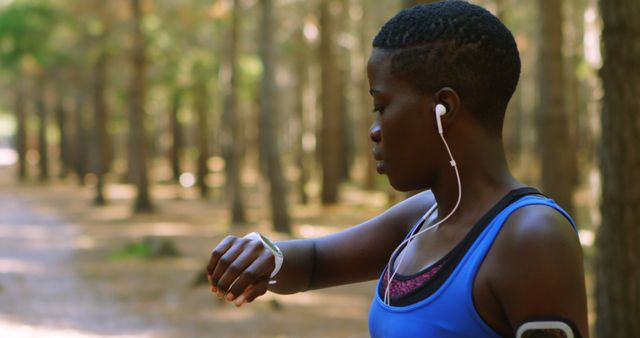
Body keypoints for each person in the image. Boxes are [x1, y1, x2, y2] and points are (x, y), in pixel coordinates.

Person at [206, 1, 589, 337]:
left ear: (445, 109)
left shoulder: (532, 237)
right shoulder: (423, 216)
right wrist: (263, 254)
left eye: (381, 107)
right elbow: (314, 264)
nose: (373, 132)